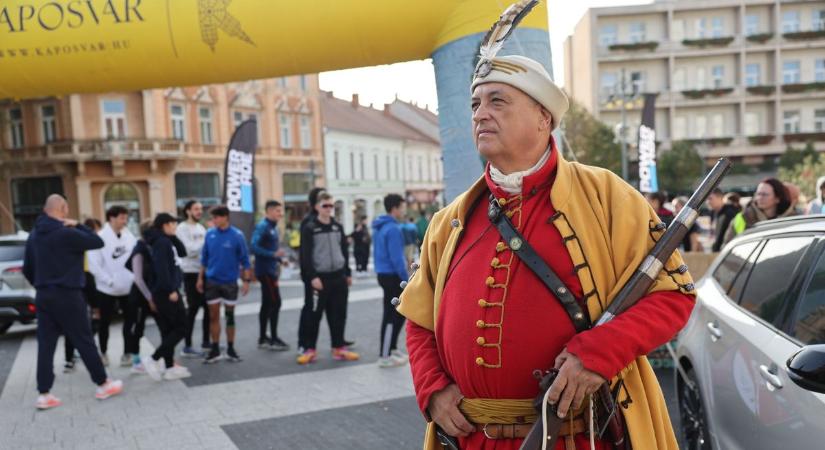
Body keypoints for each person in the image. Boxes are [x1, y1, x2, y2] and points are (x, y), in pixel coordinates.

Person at [396, 53, 696, 449]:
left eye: (497, 101)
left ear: (543, 118)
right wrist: (432, 387)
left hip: (579, 436)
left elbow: (673, 295)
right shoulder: (448, 220)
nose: (480, 114)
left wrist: (599, 353)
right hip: (471, 440)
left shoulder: (607, 197)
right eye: (475, 104)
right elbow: (419, 318)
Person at [23, 194, 123, 410]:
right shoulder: (66, 233)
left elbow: (27, 269)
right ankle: (103, 383)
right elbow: (98, 241)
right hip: (68, 294)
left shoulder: (33, 236)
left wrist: (42, 284)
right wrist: (78, 225)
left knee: (46, 344)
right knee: (83, 338)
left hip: (44, 295)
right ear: (63, 208)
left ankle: (44, 394)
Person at [296, 192, 359, 364]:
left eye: (331, 206)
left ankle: (338, 348)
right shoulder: (310, 228)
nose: (329, 209)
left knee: (339, 314)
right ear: (317, 207)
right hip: (319, 280)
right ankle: (310, 349)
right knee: (313, 315)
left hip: (338, 277)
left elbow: (344, 252)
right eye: (325, 205)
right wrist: (312, 277)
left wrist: (347, 273)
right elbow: (305, 256)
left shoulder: (337, 227)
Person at [197, 206, 251, 364]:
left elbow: (245, 261)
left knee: (230, 318)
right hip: (212, 282)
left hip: (230, 283)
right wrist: (200, 279)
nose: (213, 221)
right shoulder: (210, 234)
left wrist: (246, 281)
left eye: (216, 218)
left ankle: (231, 349)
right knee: (213, 317)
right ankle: (215, 349)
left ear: (225, 217)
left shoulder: (237, 235)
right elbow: (204, 259)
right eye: (213, 218)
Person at [141, 213, 192, 381]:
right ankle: (153, 359)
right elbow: (161, 268)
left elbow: (183, 253)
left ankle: (169, 368)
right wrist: (171, 290)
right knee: (182, 327)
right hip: (166, 292)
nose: (175, 226)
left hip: (166, 291)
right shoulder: (162, 243)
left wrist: (174, 236)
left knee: (170, 330)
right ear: (164, 225)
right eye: (172, 224)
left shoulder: (165, 240)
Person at [87, 205, 137, 367]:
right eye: (122, 217)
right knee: (104, 323)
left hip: (128, 287)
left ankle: (127, 353)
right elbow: (94, 264)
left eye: (125, 218)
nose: (125, 221)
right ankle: (103, 353)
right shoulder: (100, 237)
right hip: (106, 288)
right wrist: (108, 280)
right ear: (112, 218)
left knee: (130, 321)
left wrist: (133, 278)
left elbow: (136, 258)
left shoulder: (129, 236)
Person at [372, 194, 409, 368]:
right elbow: (397, 258)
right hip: (392, 275)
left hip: (383, 273)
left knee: (398, 312)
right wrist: (406, 278)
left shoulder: (380, 226)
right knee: (390, 314)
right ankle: (384, 355)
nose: (404, 210)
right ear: (394, 208)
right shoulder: (393, 228)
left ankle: (392, 348)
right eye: (402, 207)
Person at [64, 218, 102, 373]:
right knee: (90, 319)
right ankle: (78, 354)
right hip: (84, 279)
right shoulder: (84, 240)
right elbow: (98, 242)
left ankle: (70, 358)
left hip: (74, 281)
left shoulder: (71, 238)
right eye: (96, 230)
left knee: (72, 323)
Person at [250, 200, 289, 351]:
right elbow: (253, 246)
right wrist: (273, 254)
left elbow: (271, 249)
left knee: (267, 304)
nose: (281, 214)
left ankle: (263, 338)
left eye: (281, 211)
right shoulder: (263, 226)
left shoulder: (273, 227)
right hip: (265, 271)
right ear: (270, 211)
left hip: (271, 269)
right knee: (275, 302)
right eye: (278, 211)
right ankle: (273, 338)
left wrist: (279, 259)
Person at [123, 220, 157, 375]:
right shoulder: (139, 249)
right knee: (137, 327)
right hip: (139, 296)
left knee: (154, 325)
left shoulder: (152, 247)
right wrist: (149, 298)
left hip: (148, 294)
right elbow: (138, 278)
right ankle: (136, 361)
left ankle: (164, 357)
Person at [177, 200, 210, 357]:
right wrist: (207, 242)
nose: (199, 211)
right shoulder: (182, 228)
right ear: (188, 211)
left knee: (209, 309)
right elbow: (188, 251)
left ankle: (206, 342)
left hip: (204, 272)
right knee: (193, 309)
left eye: (201, 209)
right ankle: (187, 345)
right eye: (196, 209)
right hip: (190, 273)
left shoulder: (201, 228)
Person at [724, 178, 797, 243]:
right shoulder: (743, 217)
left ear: (777, 199)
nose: (760, 198)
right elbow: (727, 246)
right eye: (758, 194)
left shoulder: (791, 219)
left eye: (765, 194)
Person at [707, 187, 739, 252]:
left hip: (727, 252)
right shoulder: (713, 212)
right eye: (706, 199)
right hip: (716, 251)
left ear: (720, 197)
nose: (708, 202)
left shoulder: (729, 213)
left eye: (710, 198)